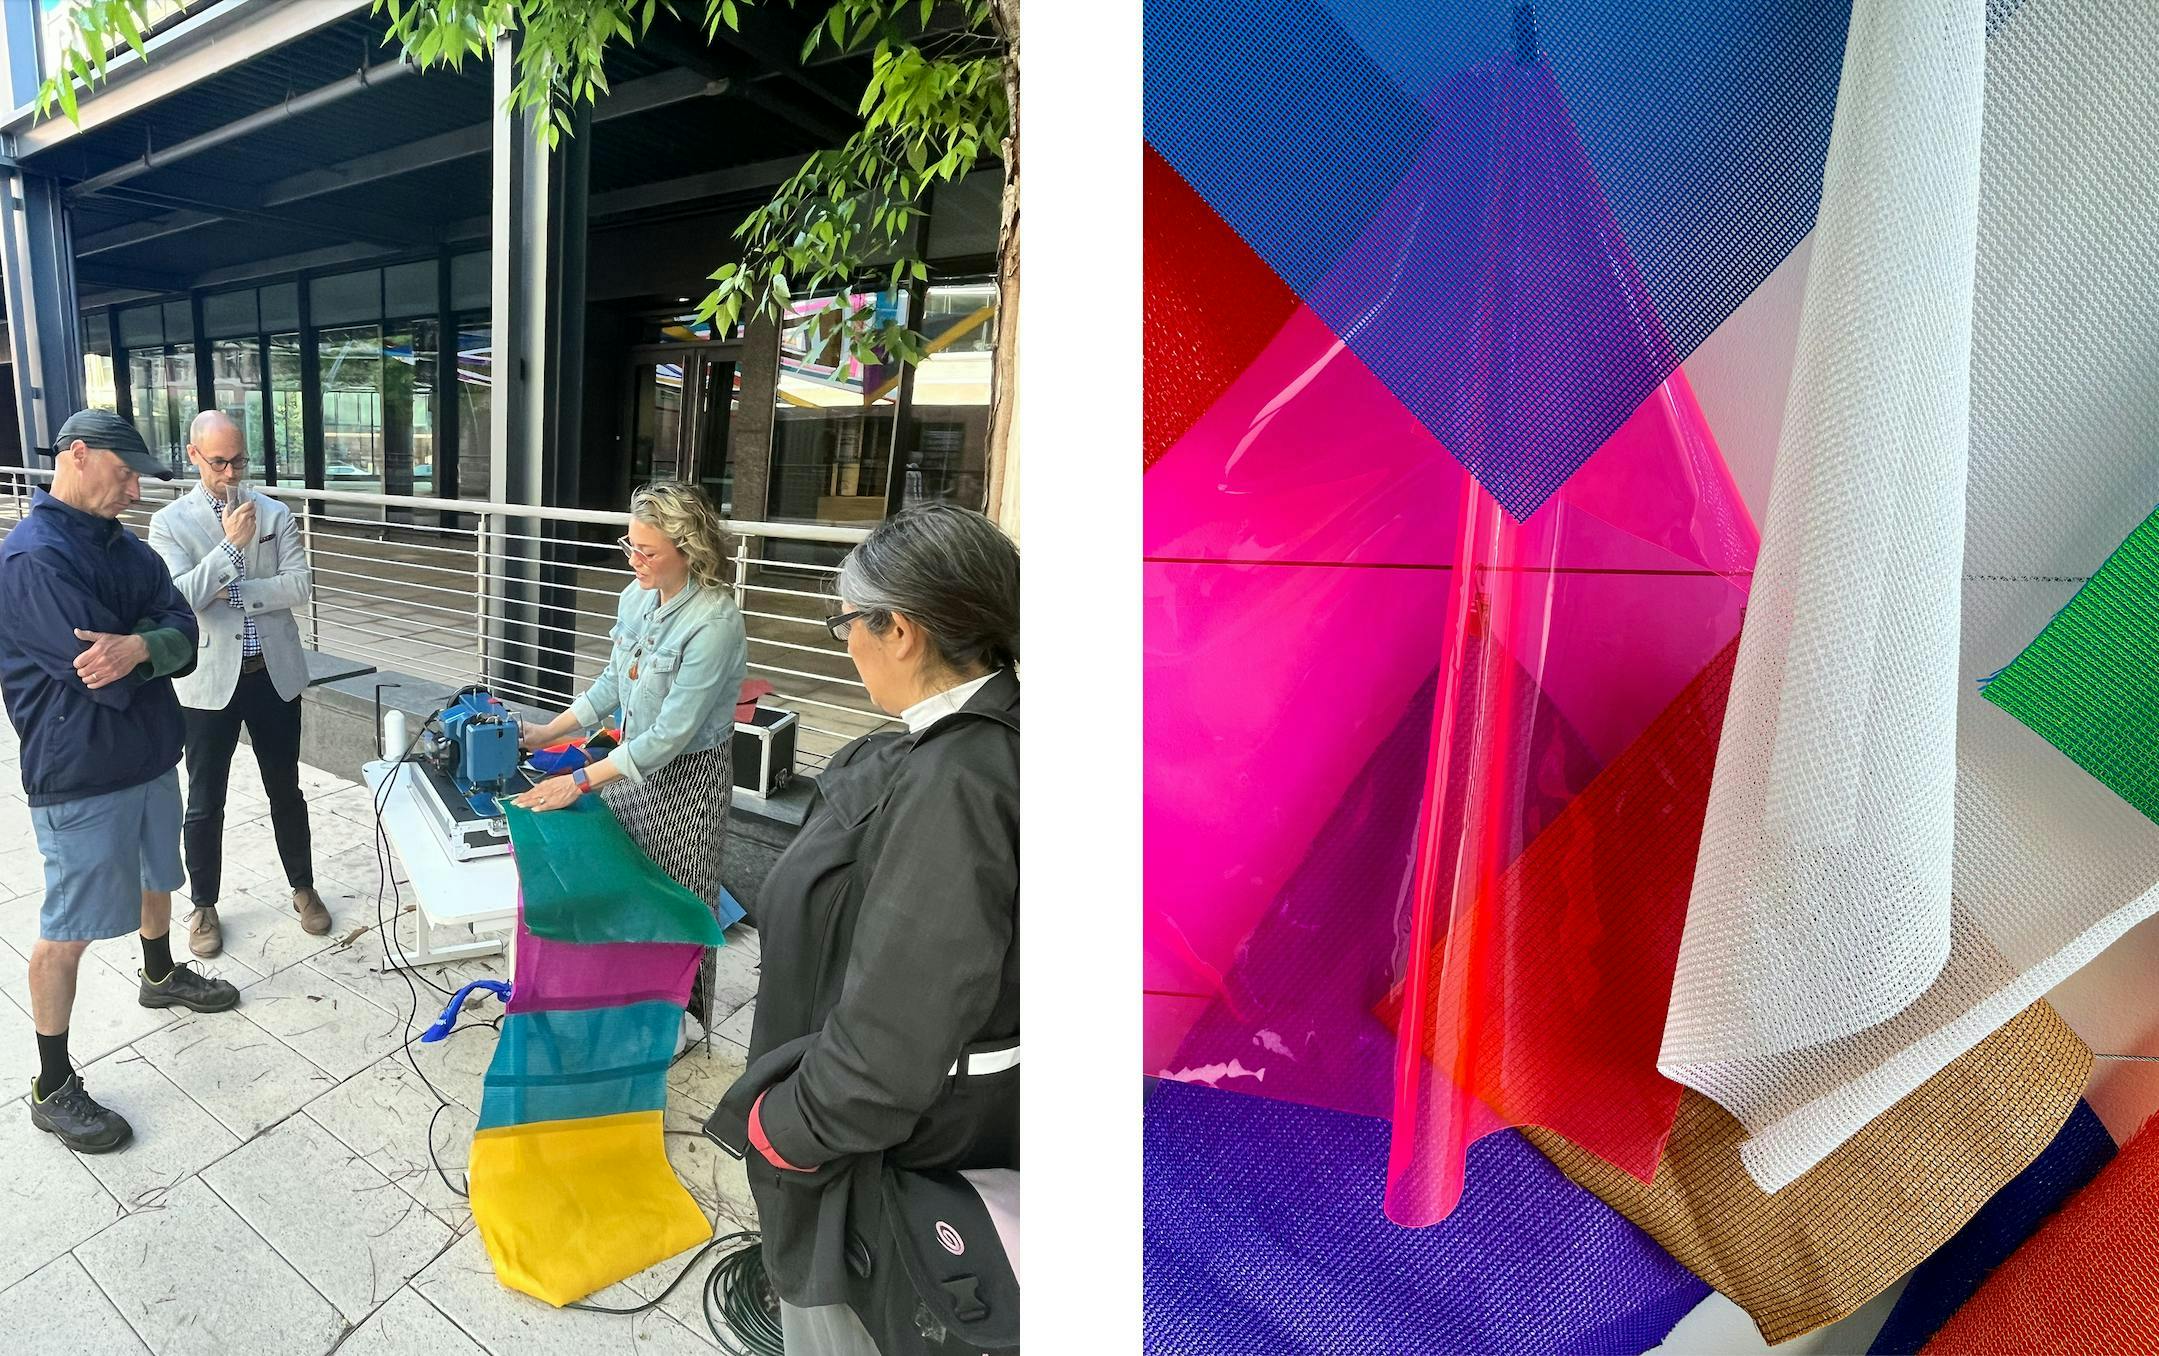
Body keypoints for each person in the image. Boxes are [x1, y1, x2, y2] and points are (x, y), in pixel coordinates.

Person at [721, 503, 1019, 1355]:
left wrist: (786, 1132)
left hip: (883, 1152)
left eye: (847, 621)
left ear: (903, 632)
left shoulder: (958, 783)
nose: (842, 641)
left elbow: (901, 1021)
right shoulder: (980, 742)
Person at [0, 410, 243, 1153]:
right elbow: (94, 674)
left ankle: (160, 973)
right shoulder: (33, 559)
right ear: (76, 456)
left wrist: (141, 642)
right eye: (125, 472)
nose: (137, 489)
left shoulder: (123, 547)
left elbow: (184, 635)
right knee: (67, 928)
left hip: (145, 753)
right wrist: (149, 647)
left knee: (155, 873)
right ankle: (50, 1083)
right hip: (80, 771)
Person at [512, 481, 748, 1042]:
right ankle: (628, 998)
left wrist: (579, 779)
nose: (634, 560)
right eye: (630, 545)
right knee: (630, 887)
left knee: (682, 899)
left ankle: (683, 1024)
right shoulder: (635, 596)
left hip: (690, 776)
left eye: (648, 551)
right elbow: (611, 684)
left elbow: (671, 734)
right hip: (629, 762)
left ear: (689, 550)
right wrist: (546, 732)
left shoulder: (714, 623)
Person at [147, 411, 327, 957]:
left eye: (239, 461)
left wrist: (237, 590)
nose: (230, 473)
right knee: (204, 799)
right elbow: (178, 598)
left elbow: (300, 583)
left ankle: (303, 886)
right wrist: (228, 550)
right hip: (207, 680)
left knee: (285, 789)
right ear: (193, 456)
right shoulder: (169, 524)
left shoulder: (274, 513)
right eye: (219, 462)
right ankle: (203, 905)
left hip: (271, 673)